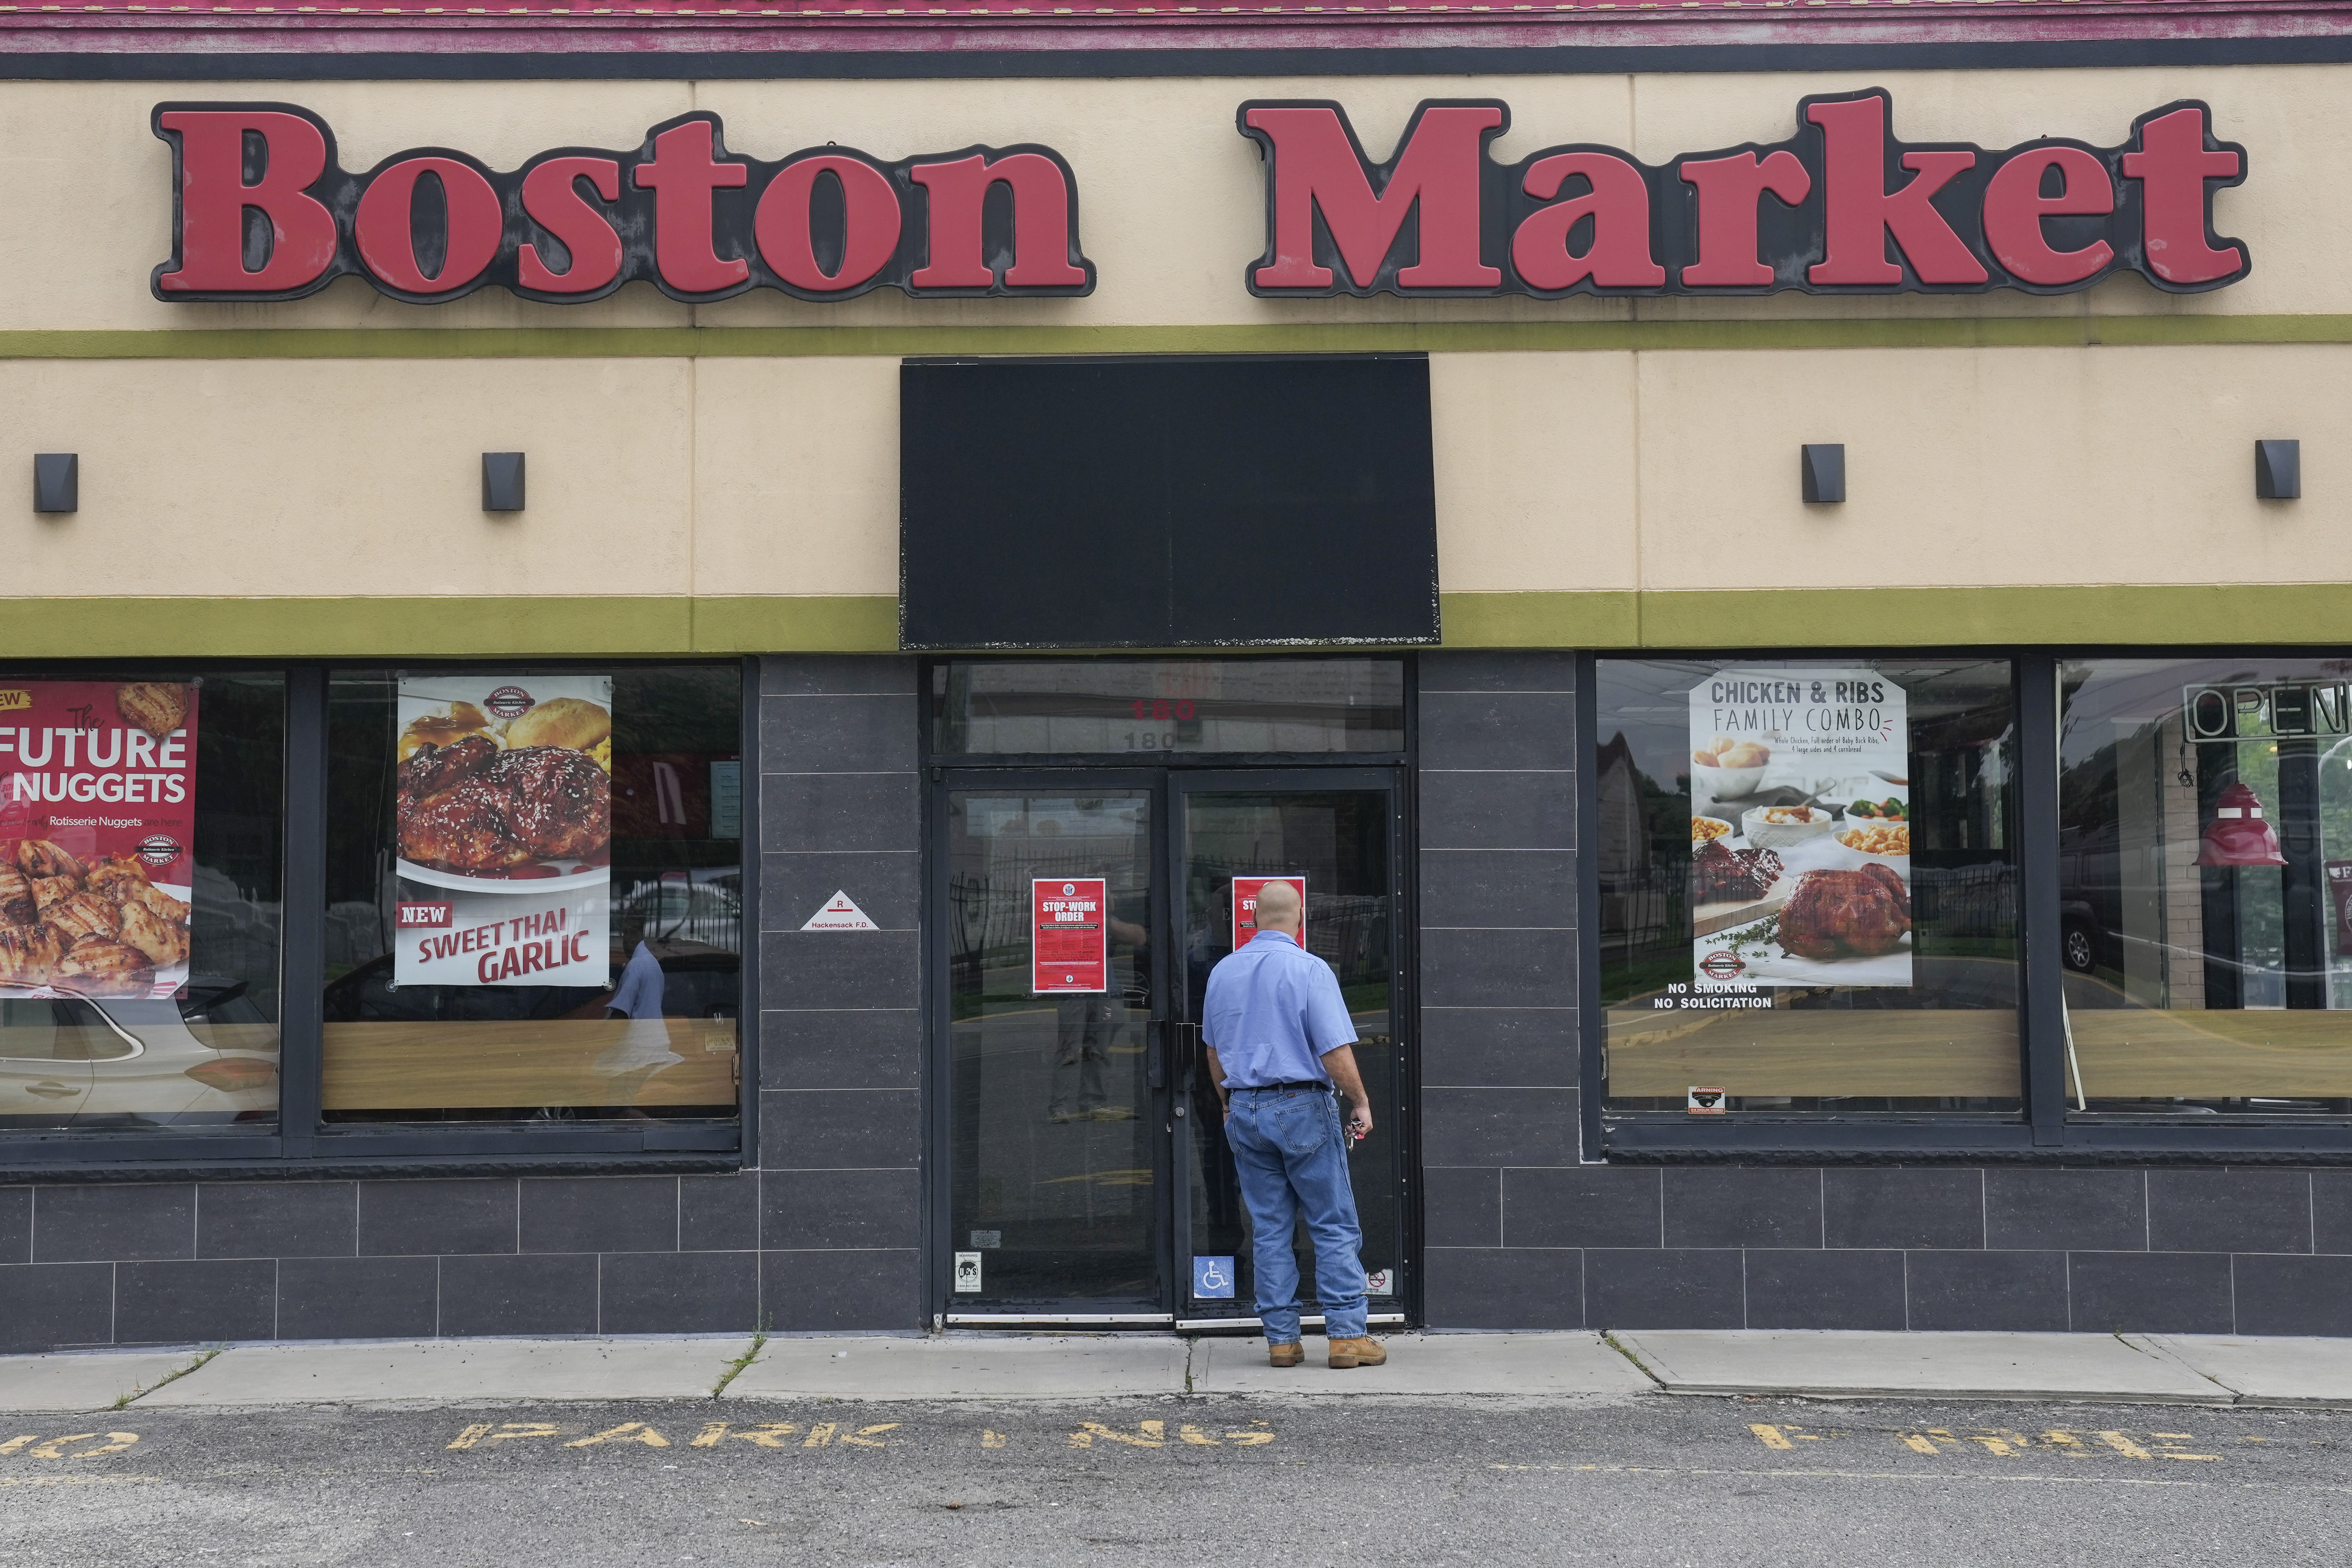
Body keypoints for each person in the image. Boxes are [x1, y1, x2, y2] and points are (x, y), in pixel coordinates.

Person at [1201, 878, 1383, 1371]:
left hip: (1244, 1108)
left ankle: (1281, 1340)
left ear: (1253, 919)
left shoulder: (1222, 972)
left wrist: (1226, 1102)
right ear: (1300, 918)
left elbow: (1213, 1052)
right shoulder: (1309, 968)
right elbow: (1333, 1049)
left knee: (1269, 1228)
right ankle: (1347, 1335)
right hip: (1300, 1104)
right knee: (1332, 1222)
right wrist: (1360, 1100)